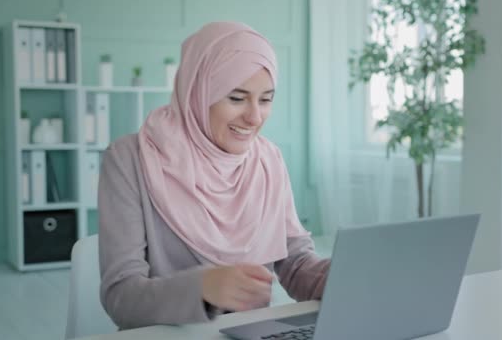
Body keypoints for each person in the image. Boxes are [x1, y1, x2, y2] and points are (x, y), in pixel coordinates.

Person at [98, 21, 331, 330]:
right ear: (198, 91)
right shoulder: (130, 159)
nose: (254, 117)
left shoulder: (268, 160)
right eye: (236, 98)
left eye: (265, 99)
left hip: (250, 333)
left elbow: (294, 262)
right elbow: (121, 297)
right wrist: (203, 290)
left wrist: (338, 276)